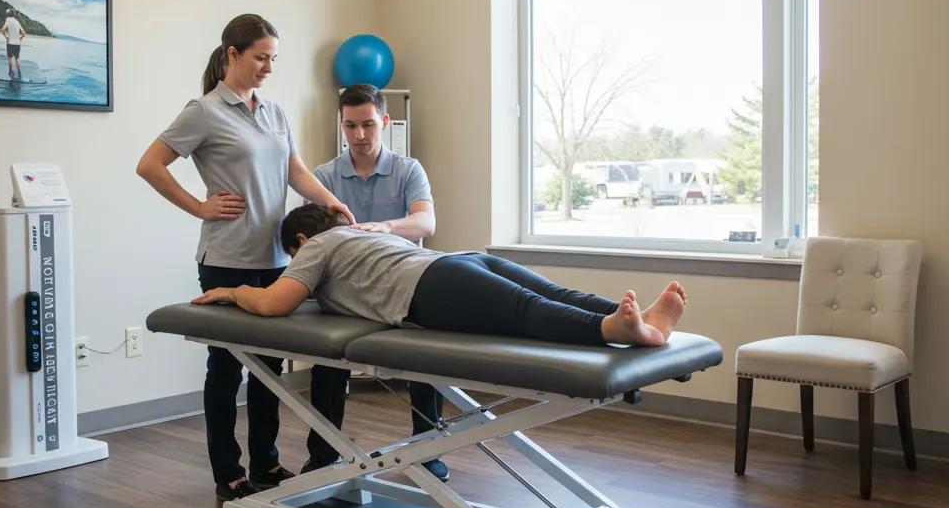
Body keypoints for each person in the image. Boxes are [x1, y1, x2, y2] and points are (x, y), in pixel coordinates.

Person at [137, 15, 355, 502]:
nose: (267, 67)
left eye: (273, 58)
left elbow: (294, 170)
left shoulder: (274, 112)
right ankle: (229, 472)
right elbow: (149, 164)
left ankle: (266, 462)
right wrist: (198, 205)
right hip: (227, 259)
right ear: (231, 55)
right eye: (260, 57)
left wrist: (331, 204)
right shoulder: (204, 111)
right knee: (226, 367)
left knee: (268, 368)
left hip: (277, 258)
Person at [194, 204, 688, 357]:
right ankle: (633, 317)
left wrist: (235, 290)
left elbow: (278, 303)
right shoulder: (362, 235)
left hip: (429, 289)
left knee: (526, 313)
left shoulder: (319, 245)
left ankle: (616, 330)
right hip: (462, 261)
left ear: (301, 239)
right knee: (551, 293)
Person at [305, 84, 448, 478]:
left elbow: (426, 223)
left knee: (424, 360)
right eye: (350, 126)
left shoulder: (408, 169)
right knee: (326, 363)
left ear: (385, 122)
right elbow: (312, 240)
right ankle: (323, 455)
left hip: (405, 286)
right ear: (342, 124)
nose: (360, 135)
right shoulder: (324, 177)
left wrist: (385, 226)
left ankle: (428, 449)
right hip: (346, 295)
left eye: (368, 124)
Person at [1, 8, 25, 79]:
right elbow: (24, 33)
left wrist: (6, 36)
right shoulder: (17, 21)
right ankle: (19, 72)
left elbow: (2, 29)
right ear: (14, 14)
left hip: (10, 43)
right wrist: (20, 38)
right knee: (17, 58)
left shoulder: (8, 19)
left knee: (10, 58)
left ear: (8, 14)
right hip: (17, 43)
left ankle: (11, 72)